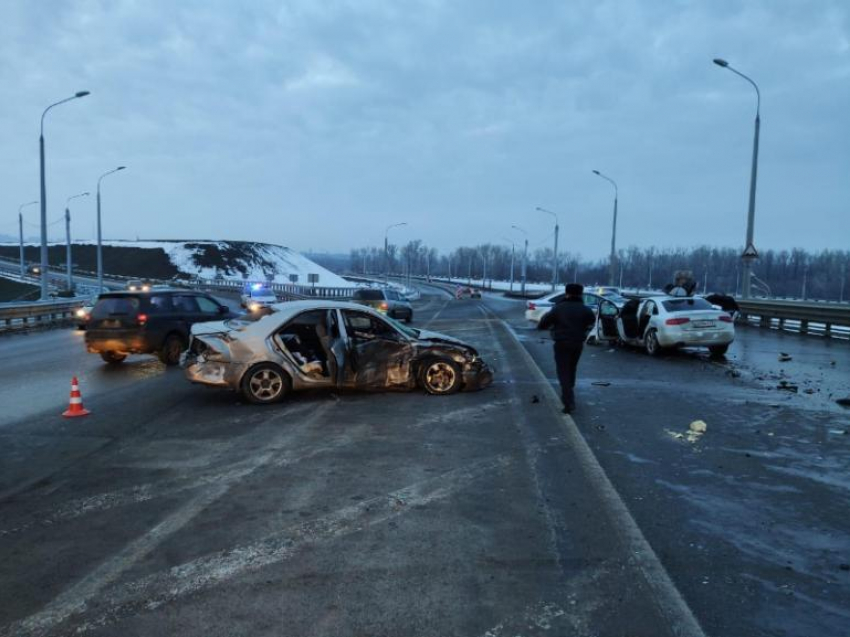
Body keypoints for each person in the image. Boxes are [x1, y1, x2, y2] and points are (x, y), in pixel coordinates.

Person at [538, 283, 596, 414]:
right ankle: (569, 391)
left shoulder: (559, 308)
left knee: (563, 371)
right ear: (581, 294)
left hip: (561, 343)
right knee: (571, 368)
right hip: (577, 343)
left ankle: (568, 400)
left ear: (566, 293)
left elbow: (543, 323)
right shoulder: (585, 309)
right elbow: (591, 322)